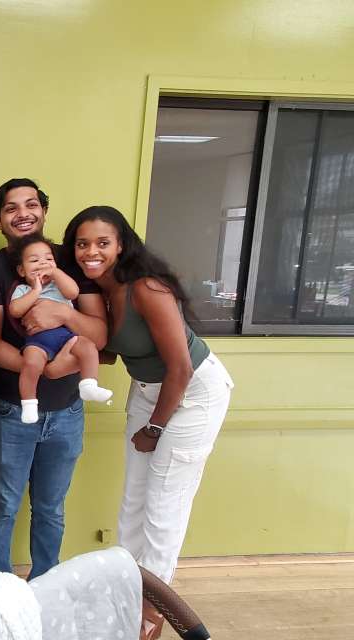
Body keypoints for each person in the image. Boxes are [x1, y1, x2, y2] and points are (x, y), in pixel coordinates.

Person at [62, 205, 234, 639]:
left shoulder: (147, 288)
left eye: (103, 242)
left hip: (191, 394)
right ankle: (126, 593)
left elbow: (181, 368)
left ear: (122, 244)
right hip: (147, 391)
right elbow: (109, 351)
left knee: (163, 511)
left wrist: (155, 428)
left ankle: (150, 617)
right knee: (133, 504)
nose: (91, 252)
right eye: (83, 244)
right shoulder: (99, 292)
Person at [0, 178, 107, 581]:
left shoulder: (70, 260)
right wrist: (40, 367)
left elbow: (99, 334)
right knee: (2, 505)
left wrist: (64, 316)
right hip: (8, 408)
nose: (23, 214)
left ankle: (46, 586)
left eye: (31, 204)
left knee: (51, 508)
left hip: (67, 410)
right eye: (11, 208)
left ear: (44, 211)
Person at [8, 233, 113, 424]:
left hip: (66, 336)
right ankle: (29, 403)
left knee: (88, 347)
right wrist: (36, 291)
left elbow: (73, 292)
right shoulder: (23, 290)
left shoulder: (58, 286)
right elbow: (15, 310)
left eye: (48, 259)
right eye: (34, 260)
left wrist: (55, 273)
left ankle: (89, 384)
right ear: (22, 270)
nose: (42, 263)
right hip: (38, 340)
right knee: (30, 364)